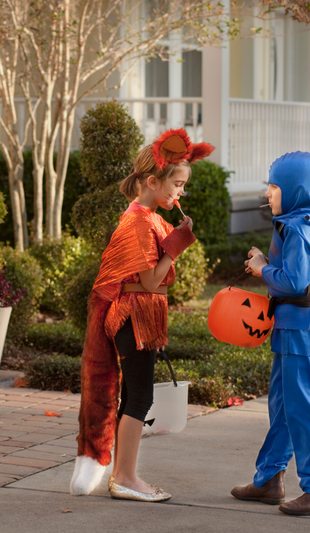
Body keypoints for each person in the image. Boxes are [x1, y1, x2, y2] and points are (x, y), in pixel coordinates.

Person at [70, 129, 213, 500]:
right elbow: (150, 281)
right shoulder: (137, 221)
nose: (181, 193)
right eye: (177, 184)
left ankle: (122, 475)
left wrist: (171, 240)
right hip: (134, 316)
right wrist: (177, 245)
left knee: (135, 394)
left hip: (139, 316)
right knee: (140, 399)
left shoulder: (146, 217)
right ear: (152, 181)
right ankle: (126, 478)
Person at [231, 151, 310, 516]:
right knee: (283, 406)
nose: (268, 195)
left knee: (300, 407)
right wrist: (266, 261)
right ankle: (269, 479)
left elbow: (294, 280)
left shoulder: (300, 228)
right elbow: (291, 272)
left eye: (274, 187)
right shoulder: (300, 222)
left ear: (295, 189)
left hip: (301, 328)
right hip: (291, 325)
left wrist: (263, 270)